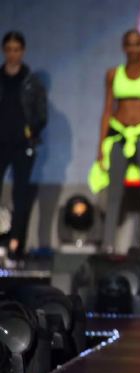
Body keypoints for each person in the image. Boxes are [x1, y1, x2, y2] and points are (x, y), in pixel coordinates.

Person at [96, 29, 140, 252]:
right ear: (123, 47)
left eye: (137, 44)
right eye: (129, 44)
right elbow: (107, 110)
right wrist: (100, 147)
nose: (133, 48)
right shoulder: (113, 74)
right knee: (114, 192)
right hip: (119, 133)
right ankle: (108, 244)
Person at [0, 31, 47, 266]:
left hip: (22, 145)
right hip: (1, 143)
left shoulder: (31, 82)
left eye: (16, 49)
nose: (12, 54)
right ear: (3, 51)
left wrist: (31, 131)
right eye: (9, 49)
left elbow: (41, 114)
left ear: (23, 51)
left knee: (21, 196)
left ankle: (15, 245)